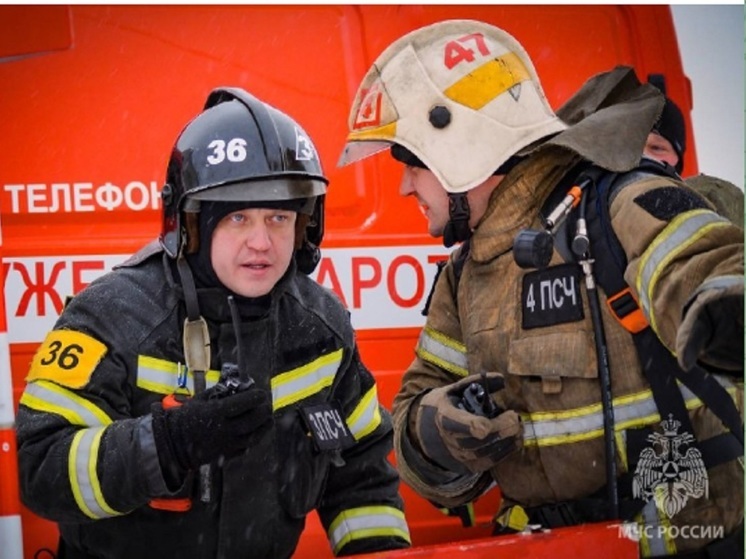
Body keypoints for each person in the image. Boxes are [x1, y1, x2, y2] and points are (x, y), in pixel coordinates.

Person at [338, 20, 743, 558]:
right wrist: (434, 430)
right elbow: (414, 408)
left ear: (463, 147)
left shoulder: (612, 206)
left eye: (412, 163)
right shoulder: (464, 278)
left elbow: (700, 261)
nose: (405, 184)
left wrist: (723, 307)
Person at [16, 87, 411, 558]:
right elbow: (41, 470)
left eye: (279, 218)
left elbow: (361, 478)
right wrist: (167, 444)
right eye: (239, 218)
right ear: (192, 225)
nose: (263, 242)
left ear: (305, 225)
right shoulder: (113, 315)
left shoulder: (320, 327)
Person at [642, 86, 744, 225]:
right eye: (629, 148)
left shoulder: (716, 201)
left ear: (677, 160)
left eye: (657, 148)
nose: (643, 158)